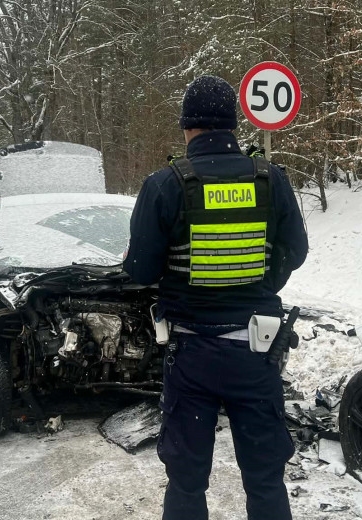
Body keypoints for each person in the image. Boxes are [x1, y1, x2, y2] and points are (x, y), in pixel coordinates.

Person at [124, 75, 309, 520]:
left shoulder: (165, 184)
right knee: (265, 479)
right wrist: (260, 285)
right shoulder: (270, 179)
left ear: (187, 127)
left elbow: (140, 271)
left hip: (191, 357)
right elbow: (296, 252)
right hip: (256, 353)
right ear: (233, 125)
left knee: (186, 481)